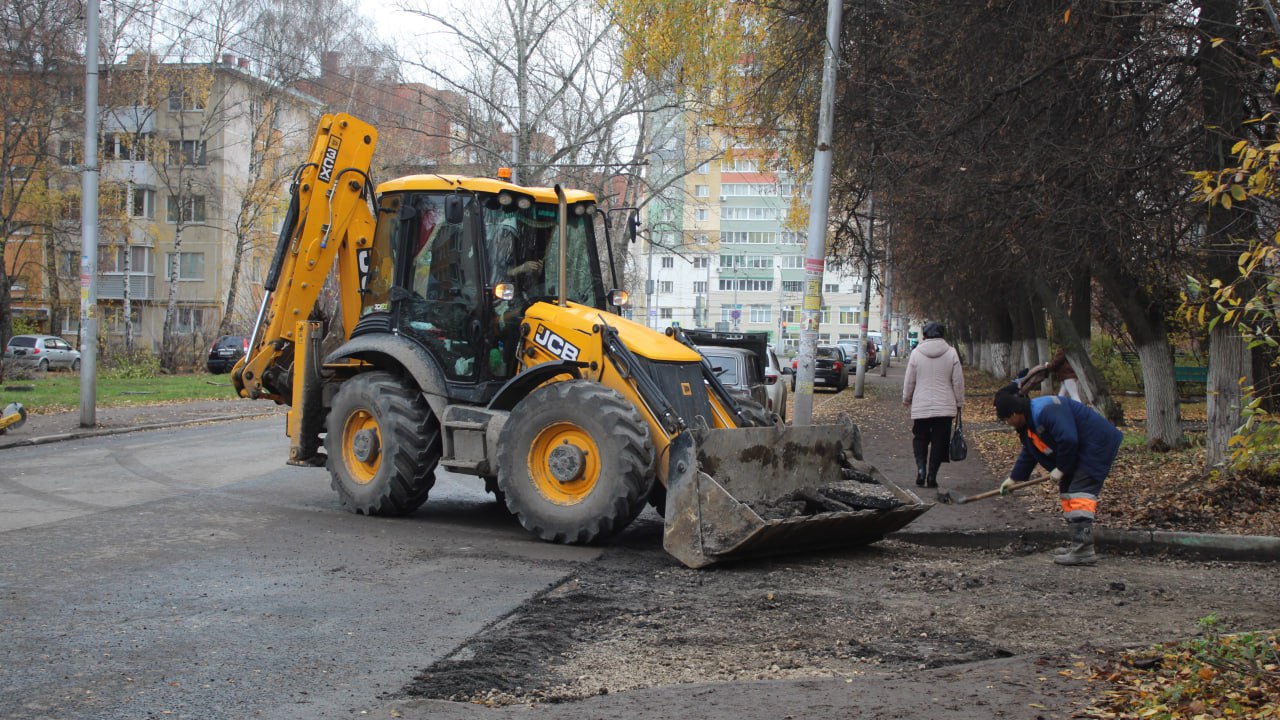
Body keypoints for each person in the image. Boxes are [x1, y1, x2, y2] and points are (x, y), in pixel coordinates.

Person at [993, 385, 1123, 566]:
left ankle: (1084, 550)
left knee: (1079, 494)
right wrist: (1014, 478)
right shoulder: (1028, 422)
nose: (1007, 423)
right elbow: (1030, 451)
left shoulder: (1046, 410)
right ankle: (1078, 543)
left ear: (1015, 413)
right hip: (1078, 450)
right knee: (1067, 490)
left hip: (1096, 446)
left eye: (1006, 418)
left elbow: (1068, 438)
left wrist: (1061, 468)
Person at [902, 321, 964, 490]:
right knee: (939, 441)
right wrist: (959, 402)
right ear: (942, 334)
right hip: (945, 406)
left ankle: (921, 470)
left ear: (924, 335)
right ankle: (932, 476)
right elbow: (957, 381)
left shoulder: (916, 353)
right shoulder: (951, 353)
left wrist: (907, 398)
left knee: (920, 437)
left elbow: (910, 380)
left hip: (921, 404)